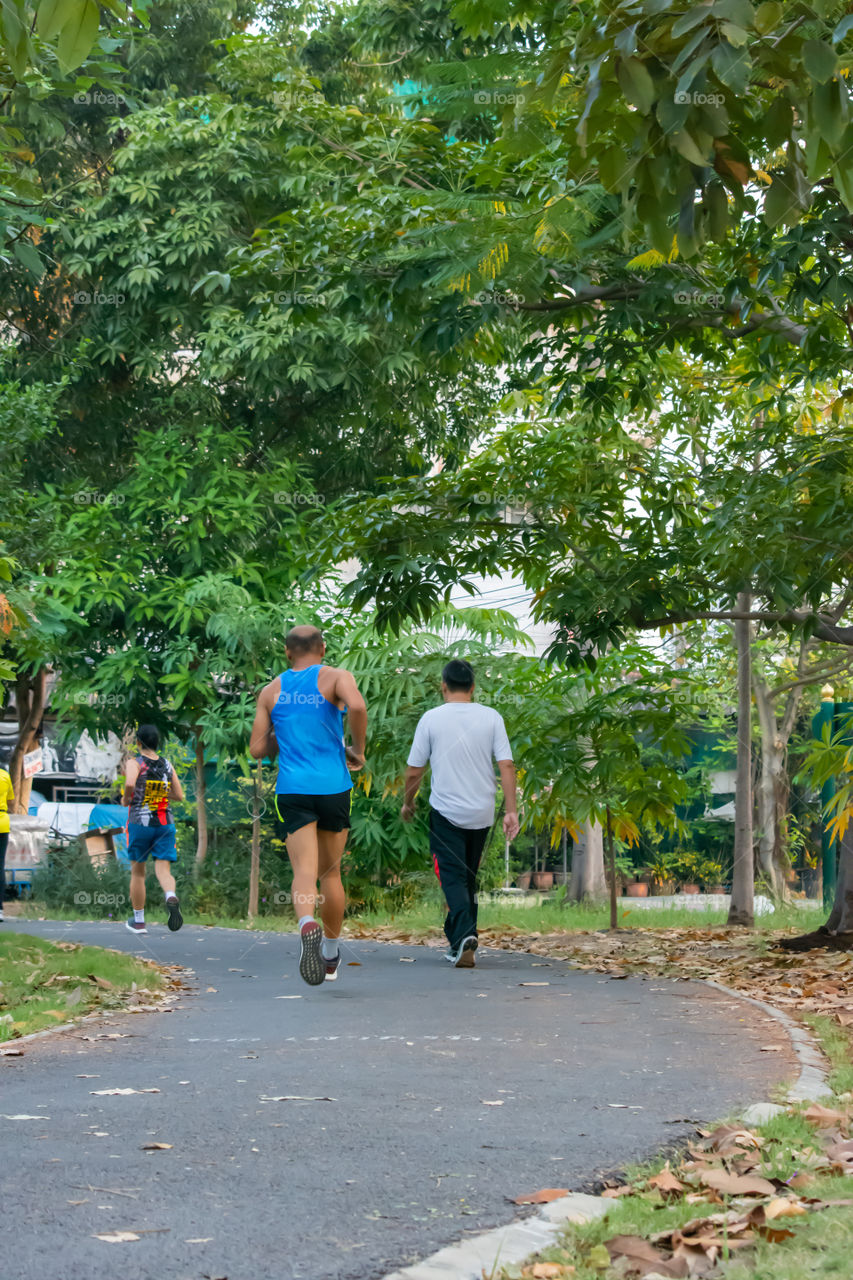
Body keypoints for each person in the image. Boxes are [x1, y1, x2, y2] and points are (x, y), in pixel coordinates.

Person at [250, 625, 367, 986]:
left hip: (293, 789)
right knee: (331, 873)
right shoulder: (336, 677)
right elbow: (359, 706)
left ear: (287, 652)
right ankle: (330, 953)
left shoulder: (271, 691)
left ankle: (306, 925)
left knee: (304, 869)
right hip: (334, 786)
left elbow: (257, 749)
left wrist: (280, 730)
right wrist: (358, 750)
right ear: (323, 648)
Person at [402, 659, 519, 968]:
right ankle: (461, 940)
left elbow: (415, 770)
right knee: (467, 877)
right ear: (472, 688)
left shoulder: (431, 718)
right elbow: (506, 765)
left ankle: (465, 935)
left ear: (443, 687)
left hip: (446, 810)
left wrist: (408, 803)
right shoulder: (491, 717)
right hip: (482, 811)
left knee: (452, 876)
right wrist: (511, 811)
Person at [122, 725, 185, 935]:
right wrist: (158, 793)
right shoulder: (167, 765)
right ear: (158, 743)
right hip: (164, 823)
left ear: (138, 743)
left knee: (138, 872)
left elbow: (130, 783)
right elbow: (179, 795)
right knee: (163, 869)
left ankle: (139, 922)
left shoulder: (135, 762)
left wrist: (126, 798)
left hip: (140, 823)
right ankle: (169, 895)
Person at [0, 763, 14, 923]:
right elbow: (11, 803)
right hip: (3, 824)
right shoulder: (4, 775)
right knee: (0, 866)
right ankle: (0, 909)